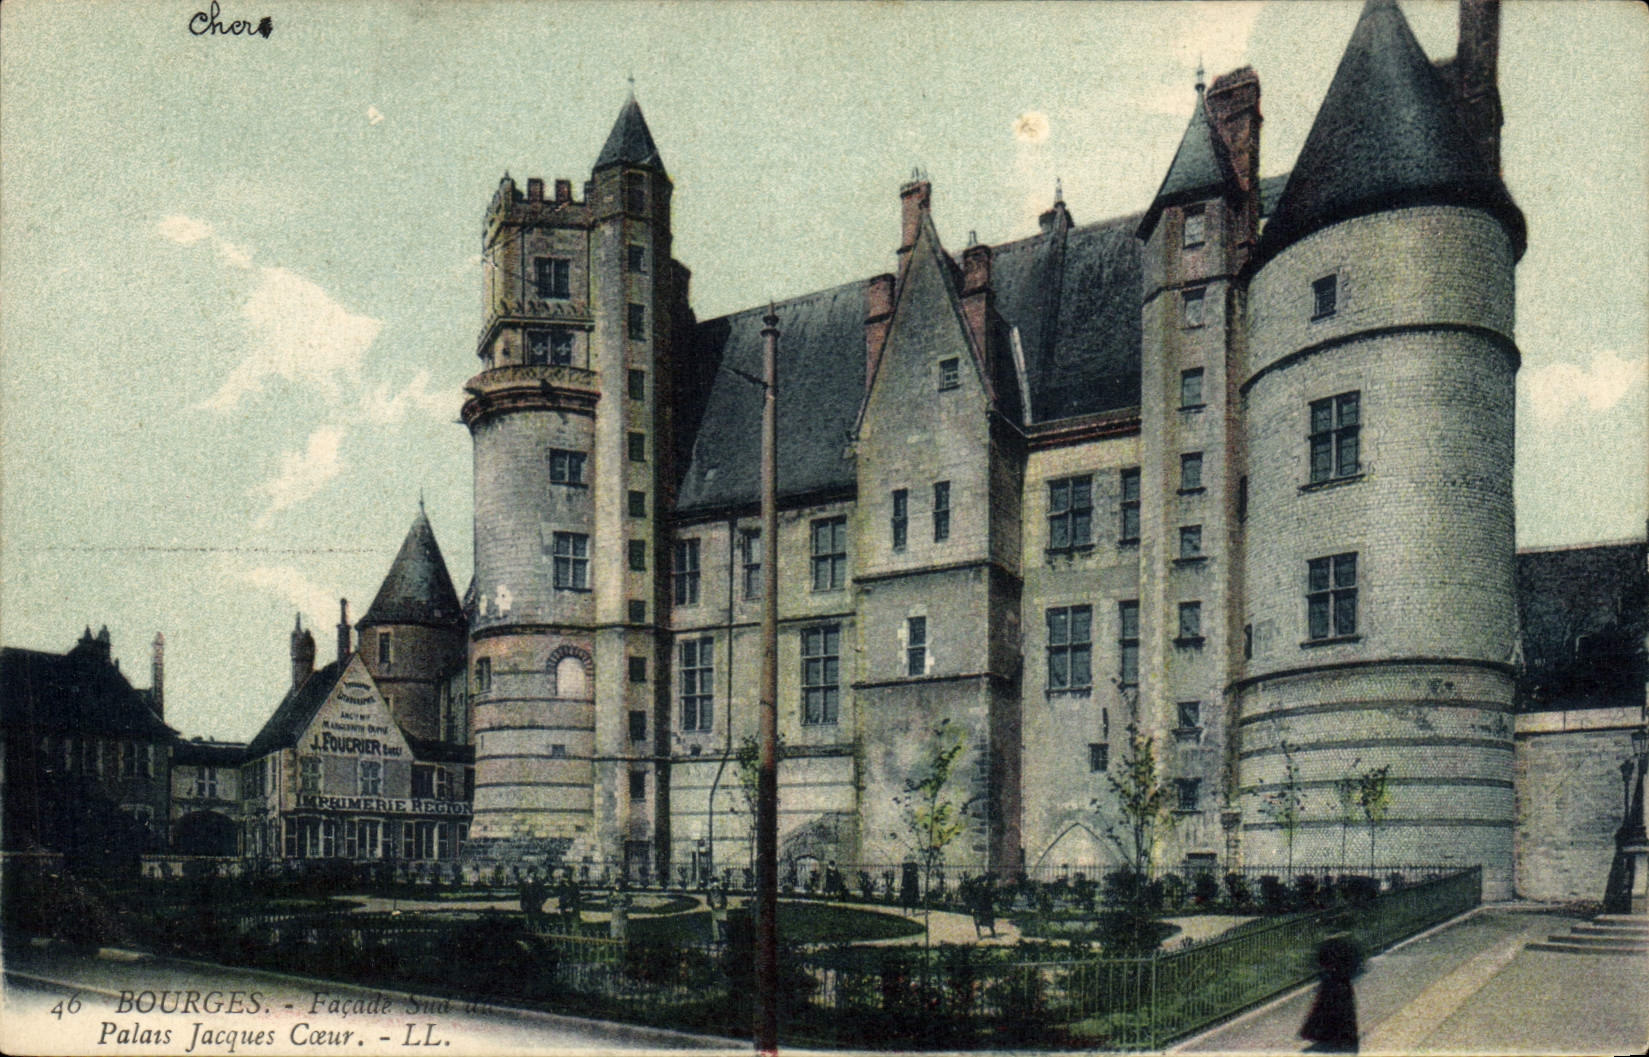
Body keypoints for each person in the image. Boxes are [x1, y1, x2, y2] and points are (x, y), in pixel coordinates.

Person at [1301, 934, 1361, 1054]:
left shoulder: (1328, 944)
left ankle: (1327, 1034)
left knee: (1326, 1007)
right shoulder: (1346, 943)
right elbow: (1355, 962)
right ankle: (1342, 1035)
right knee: (1343, 1008)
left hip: (1331, 982)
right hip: (1342, 982)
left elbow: (1319, 961)